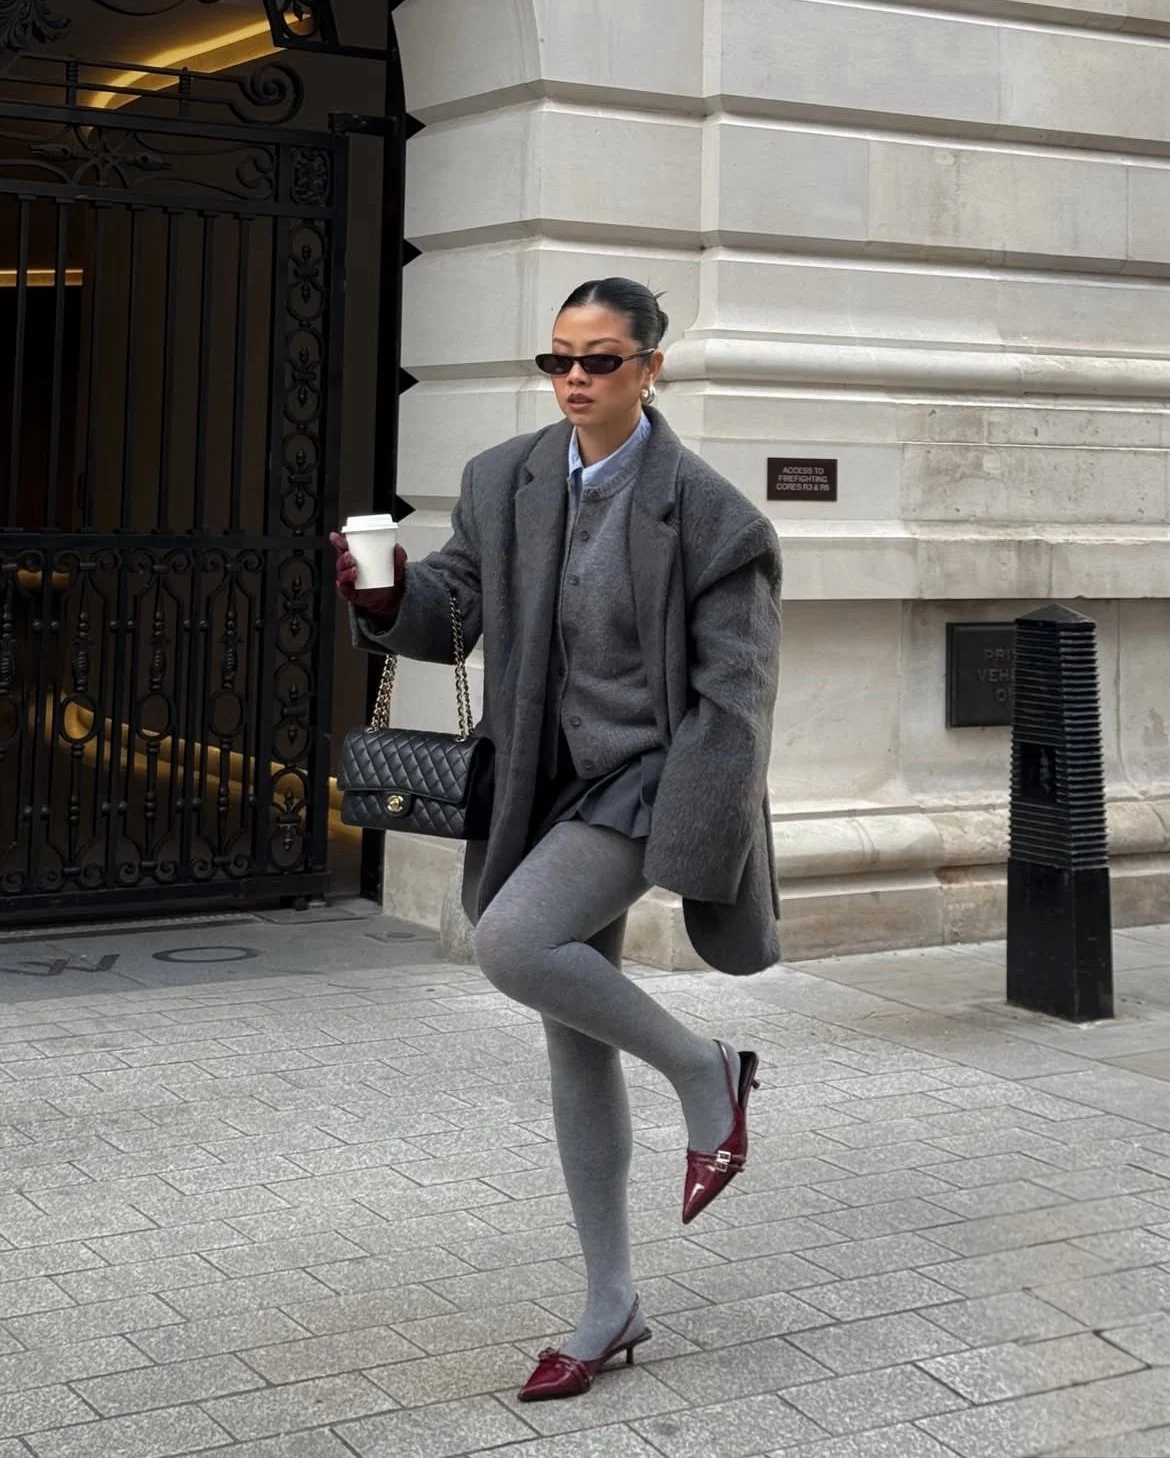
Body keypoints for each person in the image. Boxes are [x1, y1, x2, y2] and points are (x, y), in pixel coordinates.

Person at [331, 277, 782, 1402]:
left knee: (513, 942)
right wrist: (386, 601)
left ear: (650, 368)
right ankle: (607, 1304)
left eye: (601, 360)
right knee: (572, 1036)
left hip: (650, 781)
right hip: (545, 785)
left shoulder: (718, 517)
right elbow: (457, 608)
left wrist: (690, 845)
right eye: (559, 361)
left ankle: (707, 1071)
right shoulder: (507, 477)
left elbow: (736, 704)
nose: (575, 379)